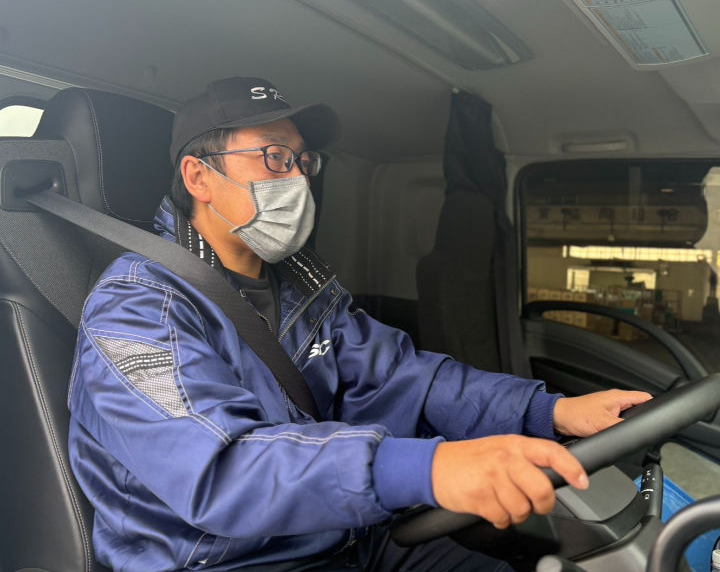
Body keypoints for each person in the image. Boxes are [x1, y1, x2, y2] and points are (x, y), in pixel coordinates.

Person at [67, 77, 651, 571]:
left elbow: (406, 377)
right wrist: (426, 467)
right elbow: (223, 469)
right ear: (198, 178)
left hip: (344, 534)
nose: (298, 179)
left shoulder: (301, 286)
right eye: (275, 157)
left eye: (303, 162)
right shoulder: (136, 308)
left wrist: (550, 412)